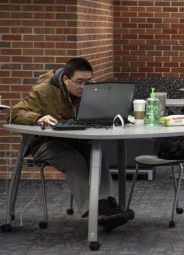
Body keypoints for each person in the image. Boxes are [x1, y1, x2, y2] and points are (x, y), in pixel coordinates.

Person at [10, 57, 132, 231]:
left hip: (75, 140)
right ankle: (93, 211)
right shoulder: (44, 91)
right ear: (66, 80)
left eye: (88, 81)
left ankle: (106, 204)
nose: (84, 87)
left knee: (96, 152)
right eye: (79, 82)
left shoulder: (92, 89)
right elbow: (15, 113)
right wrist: (37, 118)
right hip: (46, 143)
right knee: (74, 161)